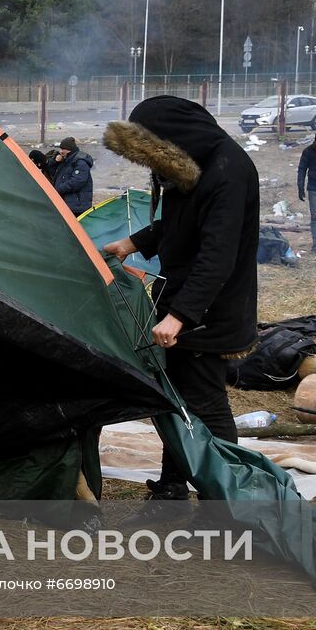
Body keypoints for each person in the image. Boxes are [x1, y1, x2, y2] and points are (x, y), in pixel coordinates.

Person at [101, 96, 259, 502]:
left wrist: (179, 316)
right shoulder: (190, 170)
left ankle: (230, 499)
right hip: (183, 299)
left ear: (173, 142)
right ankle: (172, 485)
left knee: (205, 403)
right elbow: (176, 225)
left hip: (211, 310)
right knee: (176, 400)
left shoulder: (228, 171)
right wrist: (131, 243)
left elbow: (216, 256)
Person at [51, 136, 95, 214]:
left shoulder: (80, 163)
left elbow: (77, 182)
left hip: (76, 205)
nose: (60, 152)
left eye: (62, 149)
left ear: (68, 150)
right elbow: (52, 172)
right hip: (67, 203)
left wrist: (58, 190)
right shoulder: (66, 160)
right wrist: (55, 161)